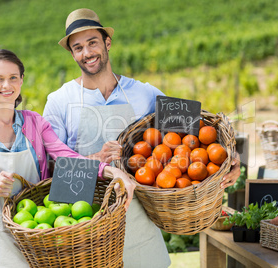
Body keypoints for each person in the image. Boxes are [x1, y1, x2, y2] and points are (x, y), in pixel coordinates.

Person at [43, 8, 241, 268]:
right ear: (72, 53)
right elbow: (50, 170)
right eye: (78, 47)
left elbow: (197, 134)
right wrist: (95, 161)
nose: (87, 53)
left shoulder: (143, 94)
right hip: (87, 231)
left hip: (139, 223)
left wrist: (232, 158)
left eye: (92, 42)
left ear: (107, 42)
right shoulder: (59, 101)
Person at [0, 49, 135, 268]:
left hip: (39, 239)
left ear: (21, 80)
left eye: (13, 78)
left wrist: (111, 171)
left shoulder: (35, 123)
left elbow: (66, 157)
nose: (6, 86)